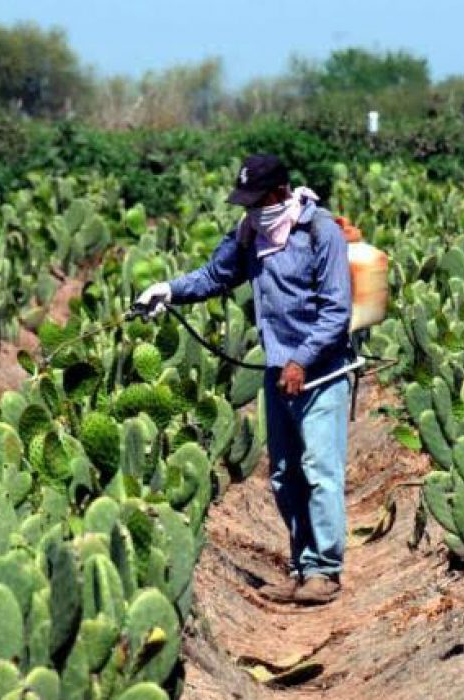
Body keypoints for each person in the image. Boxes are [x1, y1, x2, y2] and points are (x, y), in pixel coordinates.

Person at [135, 153, 353, 605]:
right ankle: (301, 565)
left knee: (319, 469)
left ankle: (325, 569)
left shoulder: (319, 232)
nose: (250, 208)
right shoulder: (251, 232)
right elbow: (217, 275)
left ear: (278, 194)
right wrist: (169, 290)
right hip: (278, 371)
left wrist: (302, 361)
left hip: (322, 370)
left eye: (256, 200)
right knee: (284, 473)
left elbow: (337, 310)